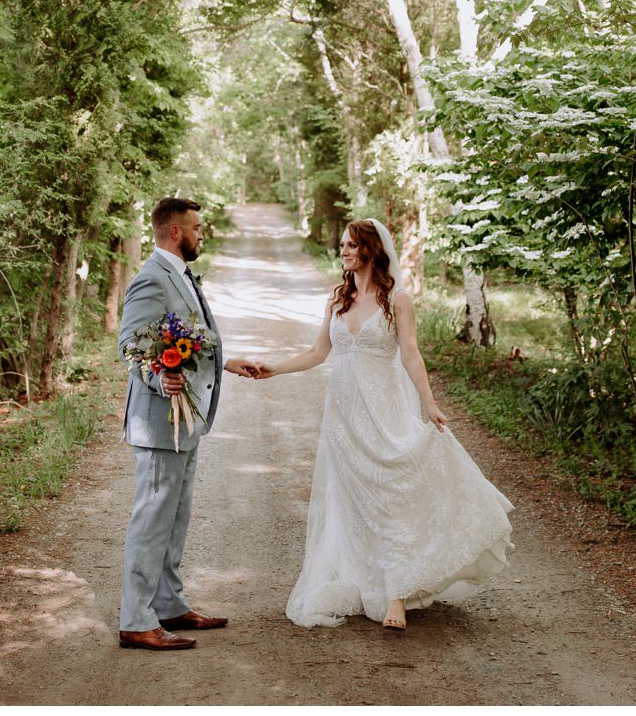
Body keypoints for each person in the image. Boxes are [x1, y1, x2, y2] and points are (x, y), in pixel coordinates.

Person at [256, 217, 514, 630]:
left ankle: (396, 595)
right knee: (357, 503)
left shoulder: (398, 301)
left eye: (349, 245)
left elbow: (411, 355)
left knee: (389, 497)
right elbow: (317, 353)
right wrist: (274, 368)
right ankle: (369, 578)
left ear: (370, 250)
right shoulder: (337, 299)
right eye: (342, 245)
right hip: (343, 418)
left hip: (384, 413)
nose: (342, 251)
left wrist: (429, 405)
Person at [116, 196, 263, 651]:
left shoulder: (179, 275)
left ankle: (169, 604)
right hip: (161, 422)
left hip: (186, 423)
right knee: (152, 520)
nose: (203, 234)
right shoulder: (150, 279)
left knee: (175, 519)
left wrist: (226, 363)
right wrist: (162, 378)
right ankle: (136, 620)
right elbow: (129, 347)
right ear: (175, 232)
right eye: (197, 228)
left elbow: (188, 343)